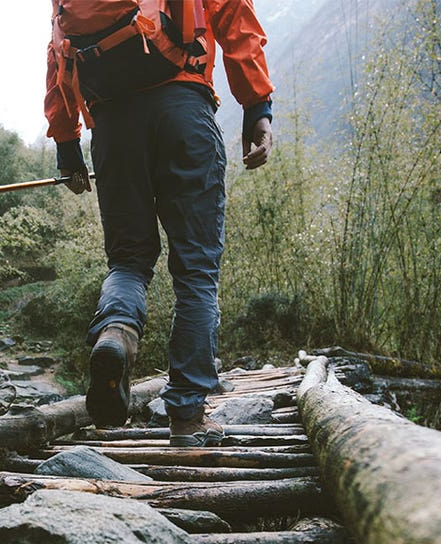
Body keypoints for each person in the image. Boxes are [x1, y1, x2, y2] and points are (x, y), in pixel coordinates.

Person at [45, 0, 274, 447]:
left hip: (111, 123)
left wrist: (67, 141)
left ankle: (117, 330)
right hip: (182, 109)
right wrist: (256, 106)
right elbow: (233, 15)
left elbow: (57, 49)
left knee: (128, 262)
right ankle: (187, 417)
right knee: (196, 272)